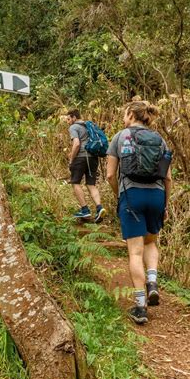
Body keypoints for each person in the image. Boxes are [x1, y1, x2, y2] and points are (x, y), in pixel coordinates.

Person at [107, 101, 172, 325]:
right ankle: (152, 280)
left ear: (131, 114)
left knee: (134, 252)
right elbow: (168, 177)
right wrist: (165, 204)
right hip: (156, 196)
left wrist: (120, 195)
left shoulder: (119, 137)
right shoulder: (159, 139)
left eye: (124, 113)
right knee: (151, 242)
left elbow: (109, 175)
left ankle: (140, 306)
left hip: (131, 195)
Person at [65, 109, 106, 223]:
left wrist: (71, 159)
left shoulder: (74, 127)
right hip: (93, 158)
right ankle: (99, 208)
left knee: (75, 182)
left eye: (68, 119)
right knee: (91, 184)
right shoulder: (88, 125)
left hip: (81, 157)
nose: (68, 122)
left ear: (74, 117)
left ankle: (85, 209)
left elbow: (77, 144)